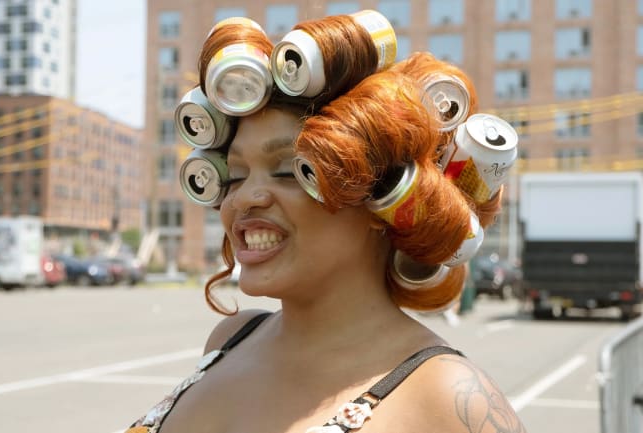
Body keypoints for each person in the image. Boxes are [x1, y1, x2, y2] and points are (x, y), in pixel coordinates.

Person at [128, 13, 526, 433]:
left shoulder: (445, 395)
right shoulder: (231, 337)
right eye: (237, 174)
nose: (244, 197)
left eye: (289, 171)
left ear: (381, 198)